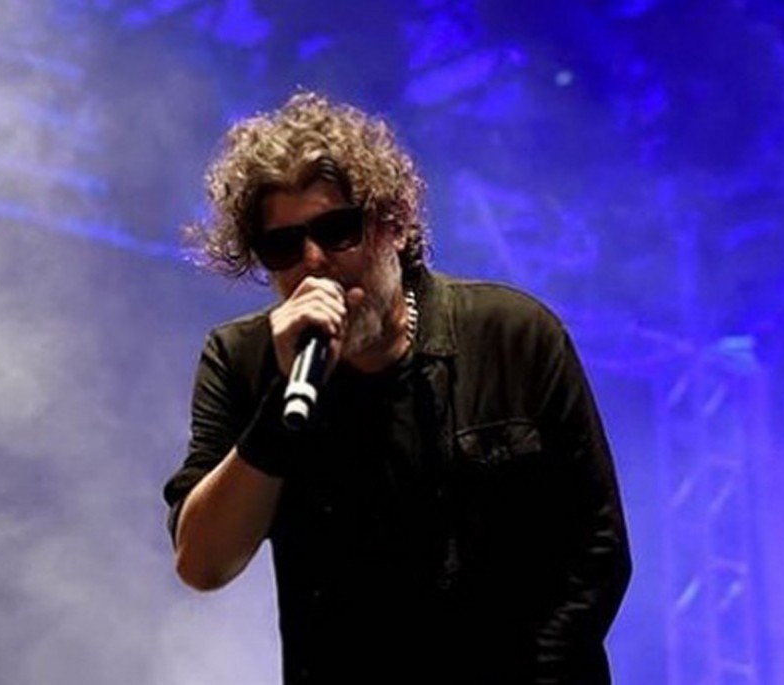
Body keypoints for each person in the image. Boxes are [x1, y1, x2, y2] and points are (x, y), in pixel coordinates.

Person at [163, 91, 632, 684]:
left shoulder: (513, 335)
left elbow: (597, 548)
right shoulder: (243, 361)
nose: (313, 261)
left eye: (337, 230)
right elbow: (203, 563)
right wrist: (281, 402)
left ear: (395, 224)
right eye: (282, 246)